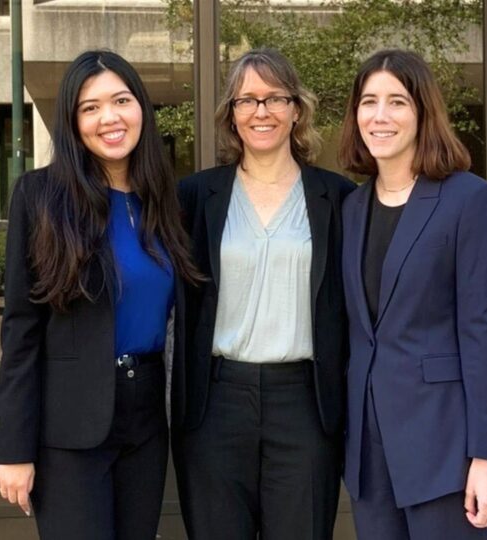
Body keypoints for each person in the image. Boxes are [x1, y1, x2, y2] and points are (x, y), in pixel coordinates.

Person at [0, 50, 201, 540]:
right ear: (73, 121)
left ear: (141, 111)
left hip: (146, 418)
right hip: (70, 425)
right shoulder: (40, 196)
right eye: (90, 107)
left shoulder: (164, 200)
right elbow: (21, 328)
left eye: (121, 100)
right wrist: (13, 448)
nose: (109, 117)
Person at [171, 48, 355, 540]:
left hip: (304, 403)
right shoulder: (194, 197)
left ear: (297, 109)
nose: (261, 111)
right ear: (231, 114)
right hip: (216, 402)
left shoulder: (337, 199)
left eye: (275, 98)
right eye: (247, 100)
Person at [338, 49, 487, 540]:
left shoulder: (469, 199)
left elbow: (481, 332)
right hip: (371, 457)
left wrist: (486, 456)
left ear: (422, 112)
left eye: (397, 102)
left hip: (445, 449)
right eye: (368, 101)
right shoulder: (353, 208)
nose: (380, 116)